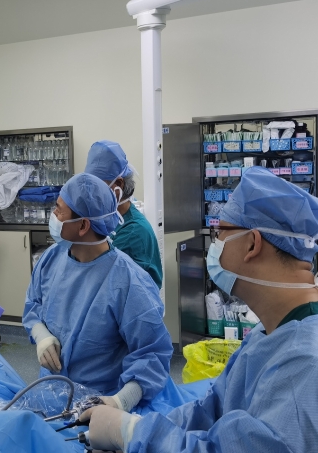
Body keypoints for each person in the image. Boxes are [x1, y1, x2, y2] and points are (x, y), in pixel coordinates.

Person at [80, 166, 318, 453]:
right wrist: (140, 428)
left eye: (220, 233)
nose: (214, 244)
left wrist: (130, 433)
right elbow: (212, 410)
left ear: (252, 244)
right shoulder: (269, 332)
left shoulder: (305, 362)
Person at [23, 173, 172, 413]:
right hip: (48, 394)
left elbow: (153, 354)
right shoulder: (52, 258)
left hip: (99, 407)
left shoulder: (128, 282)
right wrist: (41, 335)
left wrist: (119, 402)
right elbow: (33, 304)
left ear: (83, 225)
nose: (53, 215)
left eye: (59, 210)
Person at [85, 140, 163, 289]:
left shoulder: (134, 232)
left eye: (97, 185)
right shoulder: (106, 219)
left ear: (119, 185)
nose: (91, 192)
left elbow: (103, 281)